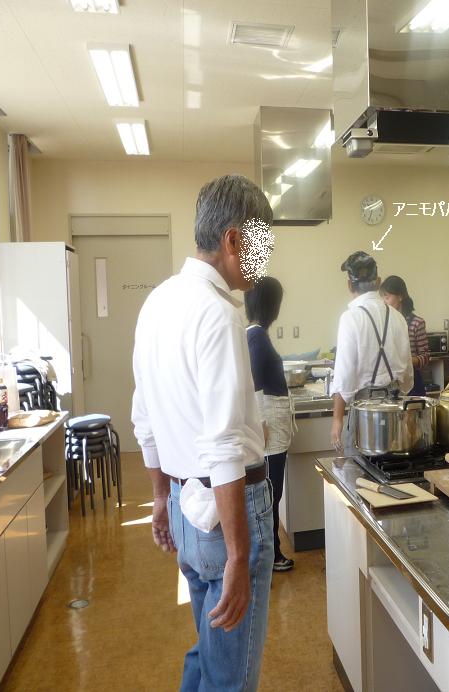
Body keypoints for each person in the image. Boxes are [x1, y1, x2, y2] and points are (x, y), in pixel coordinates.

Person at [131, 175, 275, 692]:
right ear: (234, 240)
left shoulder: (158, 302)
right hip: (228, 515)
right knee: (230, 676)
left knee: (209, 650)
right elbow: (224, 447)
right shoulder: (218, 314)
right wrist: (239, 555)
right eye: (262, 244)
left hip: (184, 502)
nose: (265, 259)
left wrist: (159, 498)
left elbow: (144, 417)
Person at [329, 251, 414, 454]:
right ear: (378, 281)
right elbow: (407, 376)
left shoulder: (350, 318)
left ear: (350, 285)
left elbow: (344, 376)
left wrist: (337, 420)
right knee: (393, 469)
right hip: (395, 409)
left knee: (359, 470)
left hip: (364, 411)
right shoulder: (398, 317)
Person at [245, 276, 295, 573]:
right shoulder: (257, 339)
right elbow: (253, 388)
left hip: (271, 431)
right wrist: (261, 425)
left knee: (270, 494)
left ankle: (270, 552)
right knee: (270, 495)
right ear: (271, 306)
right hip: (269, 433)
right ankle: (271, 554)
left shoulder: (255, 335)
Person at [380, 275, 429, 396]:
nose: (384, 302)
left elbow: (425, 356)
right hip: (389, 381)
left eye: (387, 297)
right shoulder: (383, 324)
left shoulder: (416, 323)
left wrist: (406, 361)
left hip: (412, 381)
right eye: (382, 297)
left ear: (400, 296)